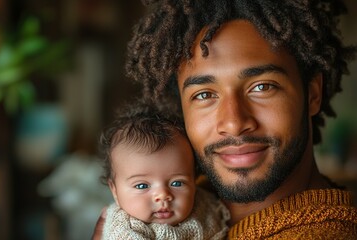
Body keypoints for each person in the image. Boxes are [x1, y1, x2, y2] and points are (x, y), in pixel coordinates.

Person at [93, 0, 357, 239]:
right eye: (204, 94)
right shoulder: (190, 197)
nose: (233, 123)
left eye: (262, 87)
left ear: (312, 94)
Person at [98, 101, 230, 239]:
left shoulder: (205, 203)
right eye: (142, 185)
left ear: (194, 181)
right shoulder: (124, 227)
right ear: (115, 191)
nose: (162, 195)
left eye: (177, 183)